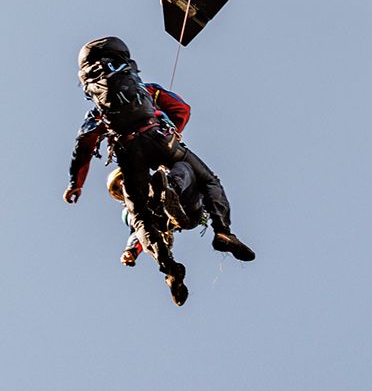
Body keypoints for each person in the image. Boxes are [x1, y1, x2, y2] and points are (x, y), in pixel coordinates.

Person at [64, 36, 254, 306]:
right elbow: (182, 109)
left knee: (140, 217)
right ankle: (222, 231)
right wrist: (172, 133)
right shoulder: (146, 89)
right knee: (207, 179)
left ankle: (169, 269)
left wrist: (76, 183)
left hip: (128, 154)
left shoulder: (97, 111)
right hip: (159, 137)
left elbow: (83, 145)